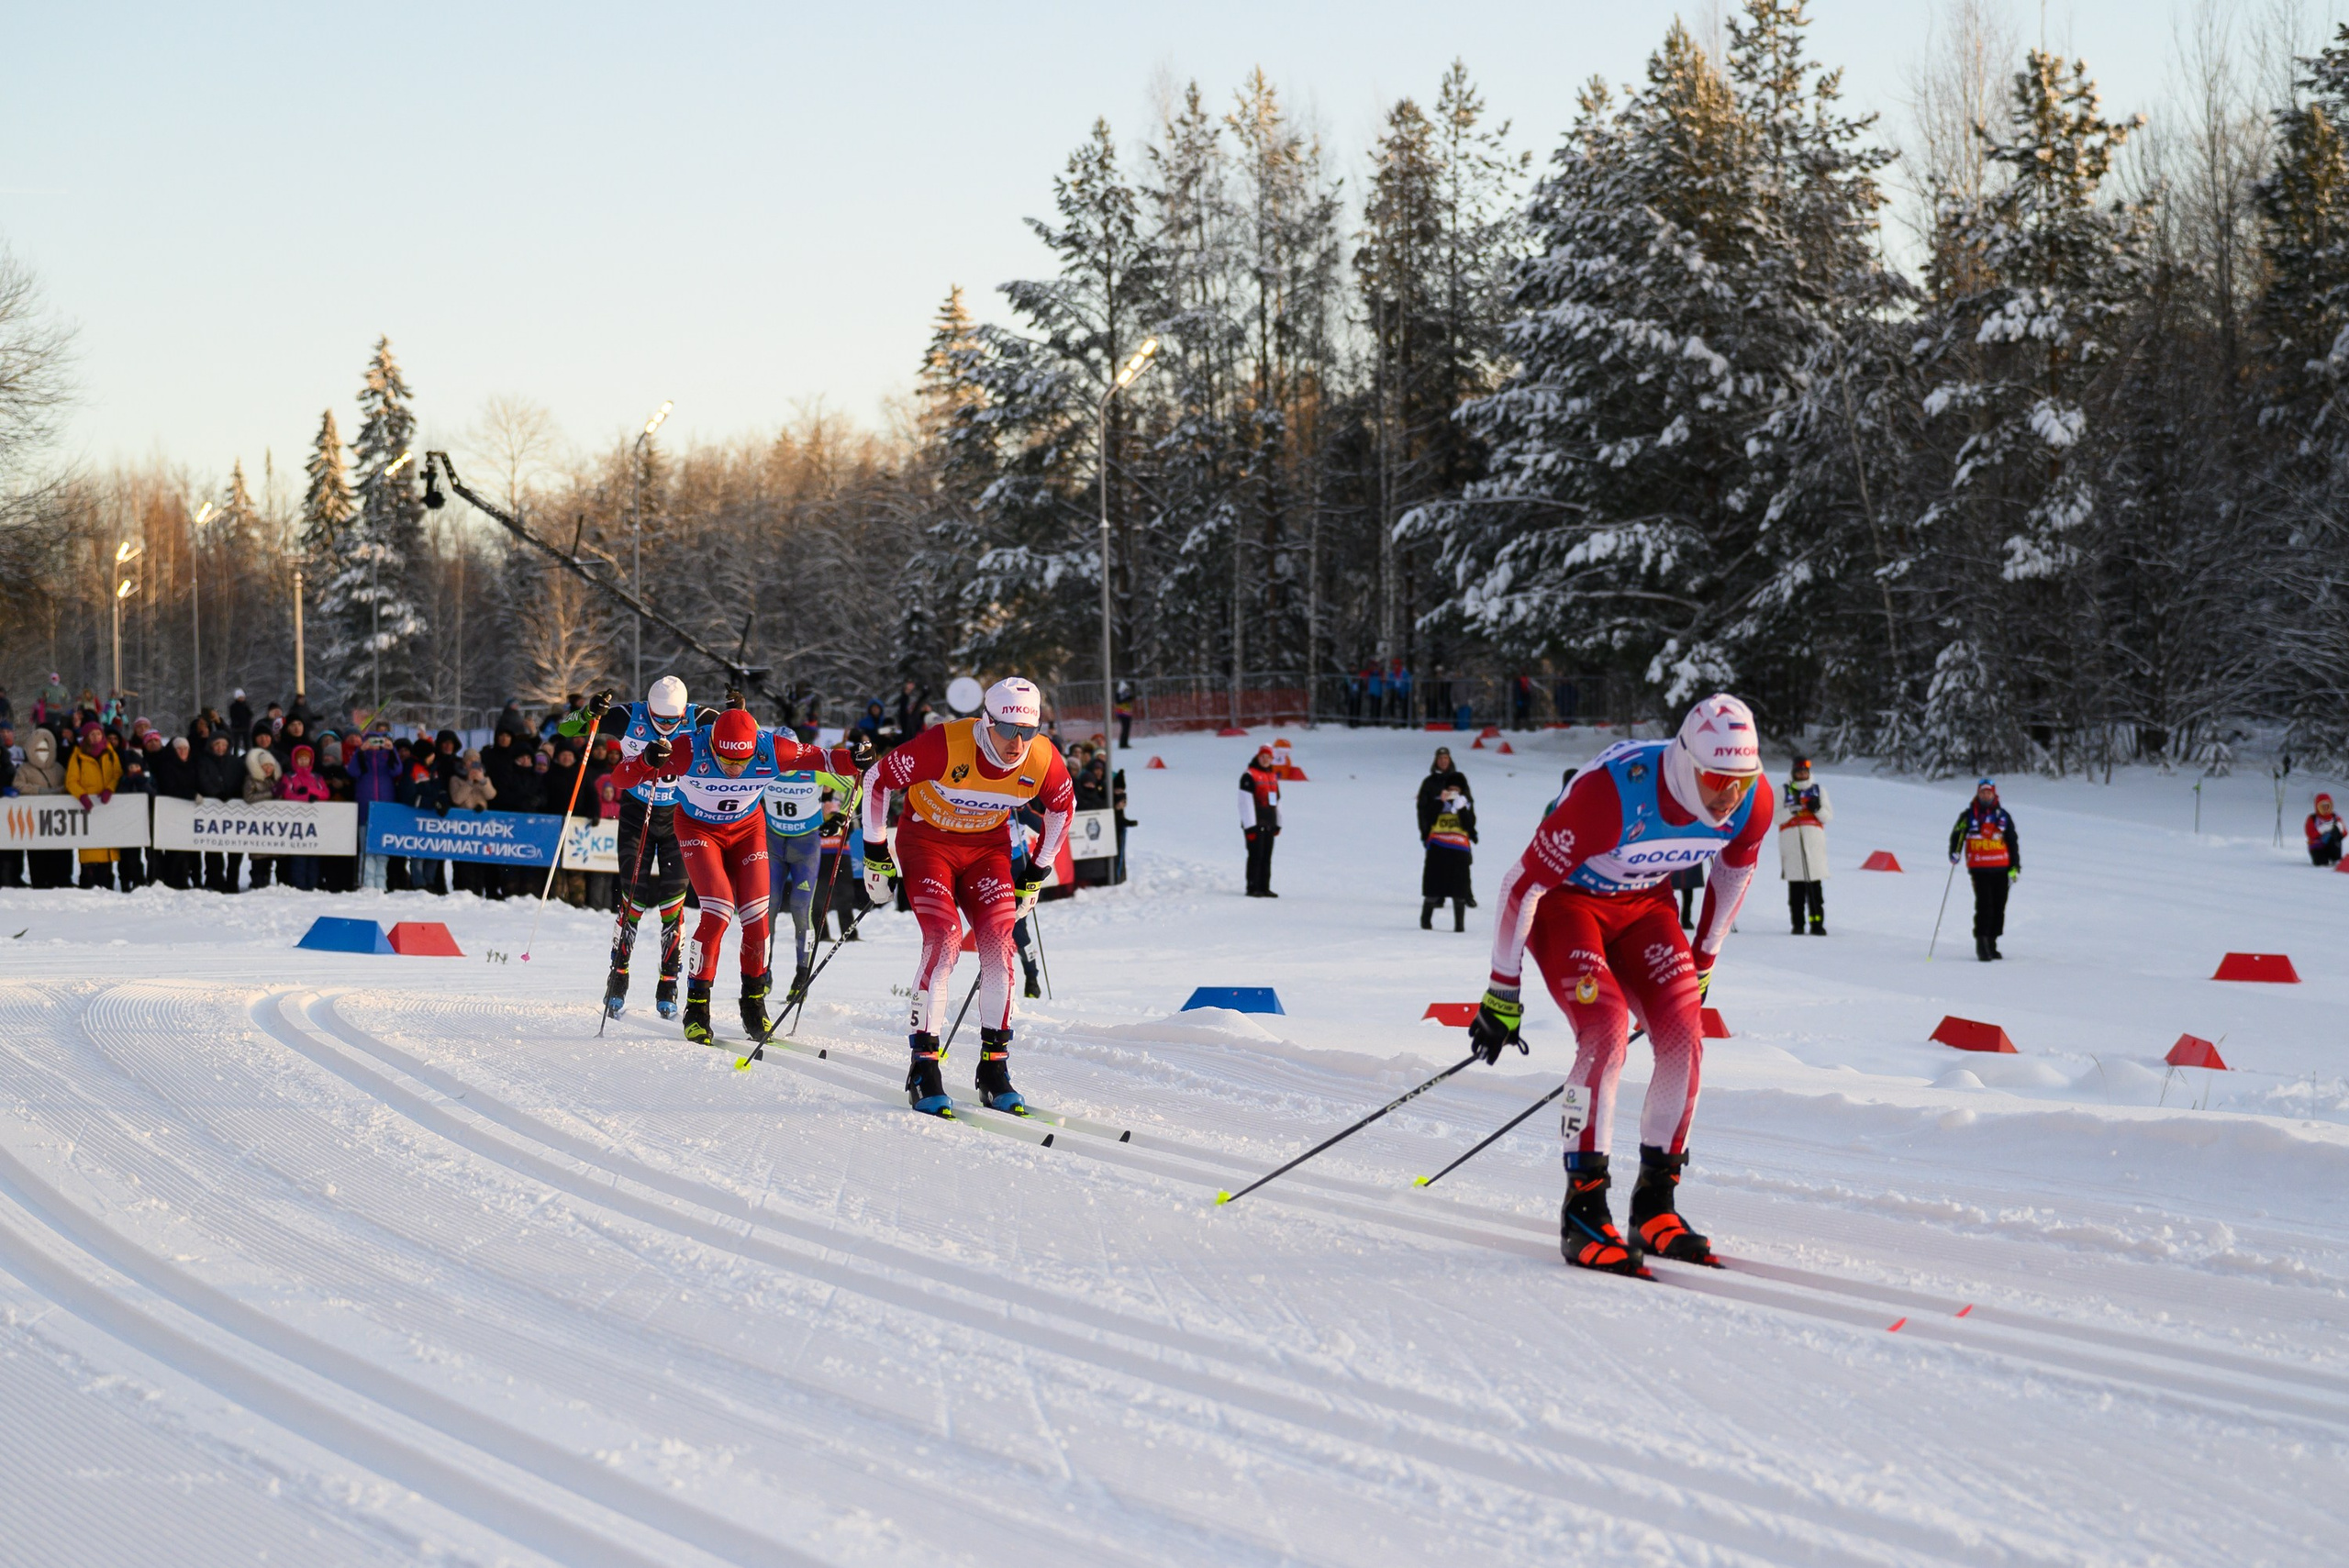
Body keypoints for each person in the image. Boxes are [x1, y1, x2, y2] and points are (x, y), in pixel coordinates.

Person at [1465, 693, 1772, 1275]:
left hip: (1644, 908)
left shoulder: (1752, 800)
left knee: (1685, 1032)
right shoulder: (1612, 794)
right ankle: (1583, 1208)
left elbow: (1735, 872)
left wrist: (1704, 959)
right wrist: (1502, 991)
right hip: (1569, 907)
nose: (1727, 797)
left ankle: (1655, 1204)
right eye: (1715, 780)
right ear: (1685, 761)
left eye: (1740, 781)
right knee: (1605, 1029)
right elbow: (1518, 887)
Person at [860, 676, 1074, 1117]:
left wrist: (1035, 873)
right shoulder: (945, 744)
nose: (1018, 743)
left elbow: (1062, 809)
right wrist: (876, 854)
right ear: (986, 721)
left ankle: (994, 1070)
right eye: (1008, 730)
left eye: (1028, 732)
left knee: (1000, 944)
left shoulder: (1042, 758)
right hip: (927, 846)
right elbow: (877, 780)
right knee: (945, 938)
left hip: (985, 852)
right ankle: (924, 1067)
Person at [610, 706, 861, 1046]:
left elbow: (828, 760)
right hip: (698, 829)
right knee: (718, 911)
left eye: (741, 763)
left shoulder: (771, 748)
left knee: (758, 917)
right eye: (726, 761)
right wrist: (644, 761)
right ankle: (697, 1008)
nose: (734, 769)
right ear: (711, 745)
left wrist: (858, 757)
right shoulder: (687, 747)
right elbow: (621, 779)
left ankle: (753, 1006)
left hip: (747, 831)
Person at [561, 681, 707, 1018]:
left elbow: (746, 735)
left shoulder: (699, 717)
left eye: (674, 720)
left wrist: (738, 713)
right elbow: (567, 727)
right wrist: (588, 712)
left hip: (677, 820)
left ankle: (668, 982)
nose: (667, 726)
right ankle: (618, 977)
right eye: (660, 718)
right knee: (633, 899)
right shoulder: (629, 716)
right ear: (649, 709)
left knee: (674, 901)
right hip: (635, 815)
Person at [763, 724, 858, 1006]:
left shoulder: (812, 768)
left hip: (805, 846)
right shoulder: (763, 767)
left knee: (800, 911)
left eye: (788, 753)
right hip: (773, 845)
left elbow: (854, 786)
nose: (782, 759)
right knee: (766, 910)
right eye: (776, 752)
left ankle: (801, 976)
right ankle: (762, 974)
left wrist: (842, 816)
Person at [1948, 778, 2020, 962]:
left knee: (1999, 906)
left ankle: (1992, 942)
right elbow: (1957, 835)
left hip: (2001, 867)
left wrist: (2015, 866)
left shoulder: (2003, 816)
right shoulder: (1968, 815)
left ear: (1993, 794)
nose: (1985, 795)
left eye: (1988, 792)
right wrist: (1954, 852)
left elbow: (2012, 841)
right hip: (1979, 867)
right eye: (1982, 792)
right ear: (1978, 793)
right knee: (1984, 905)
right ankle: (1981, 944)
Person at [1777, 755, 1831, 935]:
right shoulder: (1783, 791)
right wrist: (1792, 810)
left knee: (1815, 891)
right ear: (1793, 773)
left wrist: (1817, 809)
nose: (1802, 774)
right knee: (1797, 892)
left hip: (1814, 846)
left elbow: (1828, 817)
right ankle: (1798, 924)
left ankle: (1817, 923)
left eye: (1805, 771)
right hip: (1792, 845)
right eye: (1799, 771)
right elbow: (1775, 818)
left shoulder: (1818, 790)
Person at [66, 725, 124, 891]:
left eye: (98, 733)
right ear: (86, 737)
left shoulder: (110, 752)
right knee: (90, 848)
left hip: (107, 807)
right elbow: (71, 780)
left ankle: (107, 881)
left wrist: (110, 789)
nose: (96, 737)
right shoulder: (78, 755)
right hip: (88, 810)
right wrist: (82, 795)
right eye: (92, 734)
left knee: (107, 848)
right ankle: (88, 881)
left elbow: (117, 774)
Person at [15, 728, 69, 888]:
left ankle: (60, 880)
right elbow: (18, 785)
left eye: (46, 749)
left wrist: (60, 791)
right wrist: (39, 791)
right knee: (37, 854)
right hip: (35, 823)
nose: (43, 753)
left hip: (58, 824)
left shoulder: (59, 768)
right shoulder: (24, 769)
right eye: (38, 749)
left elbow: (68, 784)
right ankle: (39, 881)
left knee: (58, 854)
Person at [1420, 779, 1476, 930]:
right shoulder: (1437, 803)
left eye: (1456, 790)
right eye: (1450, 789)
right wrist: (1441, 802)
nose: (1453, 793)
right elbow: (1428, 818)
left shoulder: (1466, 804)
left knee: (1459, 890)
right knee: (1432, 888)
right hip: (1437, 849)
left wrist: (1462, 808)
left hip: (1459, 850)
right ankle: (1425, 923)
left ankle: (1459, 926)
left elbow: (1469, 825)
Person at [1239, 744, 1282, 896]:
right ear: (1258, 757)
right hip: (1255, 824)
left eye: (1268, 757)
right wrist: (1250, 827)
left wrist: (1278, 823)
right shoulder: (1249, 775)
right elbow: (1245, 802)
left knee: (1266, 857)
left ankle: (1264, 887)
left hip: (1269, 823)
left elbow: (1277, 801)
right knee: (1255, 856)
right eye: (1263, 757)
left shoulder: (1272, 776)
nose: (1265, 760)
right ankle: (1253, 887)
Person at [240, 746, 282, 889]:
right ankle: (257, 882)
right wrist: (271, 793)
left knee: (269, 858)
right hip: (257, 826)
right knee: (259, 859)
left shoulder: (276, 780)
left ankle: (267, 882)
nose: (268, 769)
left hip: (272, 826)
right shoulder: (252, 779)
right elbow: (249, 797)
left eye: (271, 765)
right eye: (265, 766)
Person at [2307, 794, 2344, 867]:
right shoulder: (2312, 818)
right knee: (2322, 864)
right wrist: (2321, 830)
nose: (2325, 808)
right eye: (2323, 806)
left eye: (2327, 805)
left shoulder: (2335, 817)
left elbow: (2343, 834)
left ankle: (2336, 859)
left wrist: (2341, 829)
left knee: (2335, 834)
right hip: (2317, 846)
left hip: (2332, 846)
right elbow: (2310, 834)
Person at [1113, 678, 1135, 749]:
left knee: (1126, 729)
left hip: (1127, 713)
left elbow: (1130, 699)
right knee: (1125, 729)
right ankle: (1123, 744)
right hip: (1122, 713)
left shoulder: (1125, 694)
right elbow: (1119, 701)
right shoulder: (1118, 694)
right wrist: (1126, 698)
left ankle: (1125, 743)